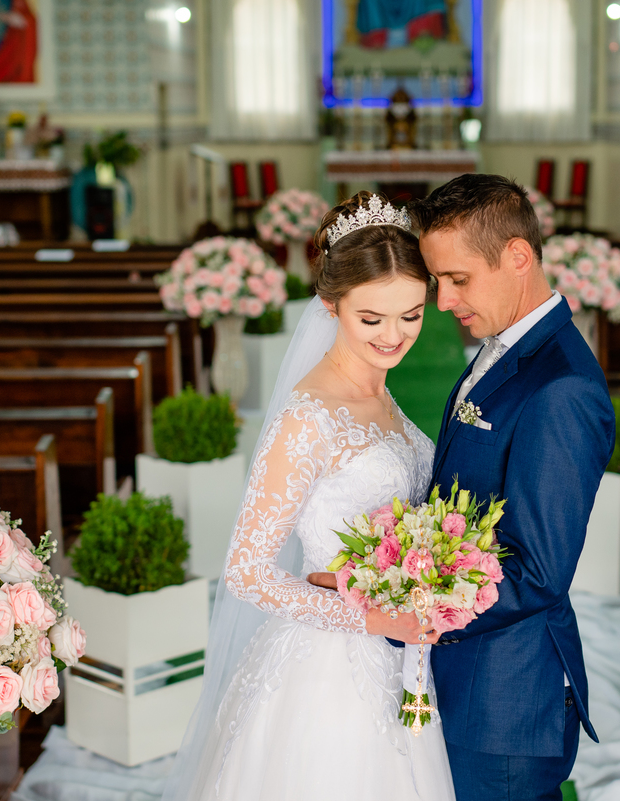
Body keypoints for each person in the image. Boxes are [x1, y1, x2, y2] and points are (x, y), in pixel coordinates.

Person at [161, 192, 456, 801]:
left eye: (411, 314)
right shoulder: (309, 416)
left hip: (398, 654)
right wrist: (371, 614)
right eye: (370, 319)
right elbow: (246, 573)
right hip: (328, 672)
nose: (395, 336)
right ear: (329, 305)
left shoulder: (382, 395)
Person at [411, 174, 615, 801]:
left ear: (518, 258)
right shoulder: (506, 345)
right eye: (437, 280)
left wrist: (414, 610)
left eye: (458, 279)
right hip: (471, 679)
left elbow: (537, 572)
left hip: (504, 704)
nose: (443, 302)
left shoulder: (562, 389)